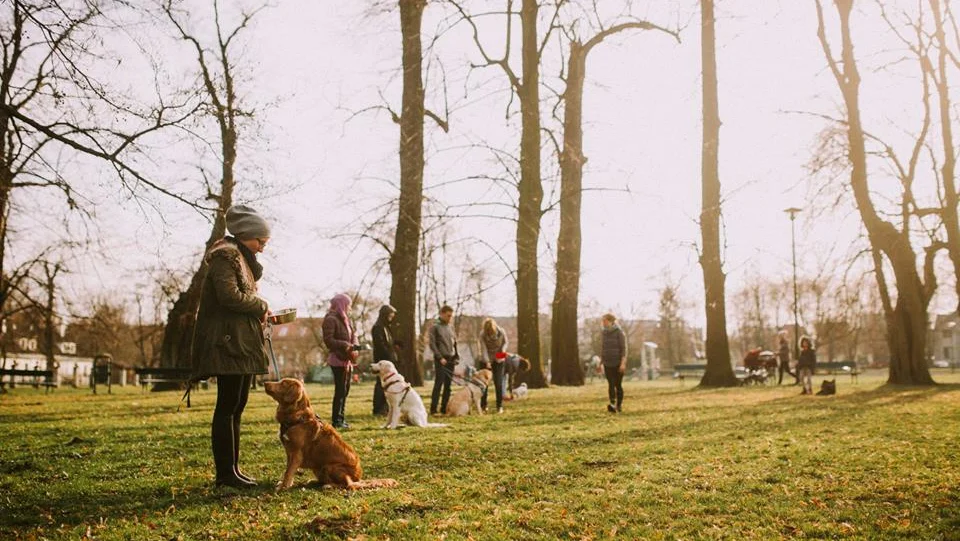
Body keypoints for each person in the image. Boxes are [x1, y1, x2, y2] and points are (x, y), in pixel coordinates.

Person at [191, 204, 271, 488]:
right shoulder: (225, 257)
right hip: (228, 343)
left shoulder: (241, 257)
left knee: (237, 407)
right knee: (227, 407)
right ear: (245, 234)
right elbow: (229, 297)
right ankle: (225, 474)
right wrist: (261, 304)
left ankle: (233, 469)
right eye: (259, 240)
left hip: (241, 342)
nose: (262, 247)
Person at [323, 293, 359, 428]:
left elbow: (353, 335)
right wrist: (344, 345)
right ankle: (336, 420)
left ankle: (341, 418)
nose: (349, 308)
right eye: (348, 305)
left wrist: (354, 346)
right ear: (341, 304)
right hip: (337, 360)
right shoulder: (330, 319)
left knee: (345, 390)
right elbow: (328, 340)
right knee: (340, 390)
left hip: (347, 360)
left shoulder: (345, 319)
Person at [429, 305, 458, 415]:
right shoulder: (435, 327)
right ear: (441, 314)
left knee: (448, 386)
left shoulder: (451, 327)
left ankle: (444, 408)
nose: (450, 318)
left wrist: (456, 356)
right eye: (448, 316)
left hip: (451, 359)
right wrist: (439, 357)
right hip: (440, 359)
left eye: (451, 316)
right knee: (438, 384)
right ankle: (433, 409)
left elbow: (454, 342)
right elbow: (432, 344)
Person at [370, 304, 398, 416]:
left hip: (387, 359)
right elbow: (380, 344)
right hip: (382, 359)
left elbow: (388, 343)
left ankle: (384, 407)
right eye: (390, 316)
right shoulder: (378, 327)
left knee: (385, 383)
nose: (391, 318)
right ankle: (378, 408)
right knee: (380, 384)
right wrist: (388, 356)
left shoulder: (386, 327)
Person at [479, 318, 508, 413]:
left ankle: (499, 406)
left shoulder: (501, 332)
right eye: (488, 332)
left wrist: (502, 353)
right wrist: (487, 362)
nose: (490, 334)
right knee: (484, 384)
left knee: (498, 382)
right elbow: (483, 349)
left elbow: (505, 343)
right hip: (486, 358)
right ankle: (483, 405)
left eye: (491, 331)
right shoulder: (482, 334)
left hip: (499, 357)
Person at [600, 313, 627, 413]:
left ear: (611, 321)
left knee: (617, 385)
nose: (603, 323)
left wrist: (623, 363)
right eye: (602, 321)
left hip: (618, 362)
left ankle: (619, 405)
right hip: (607, 362)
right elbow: (603, 348)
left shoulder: (619, 332)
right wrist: (601, 362)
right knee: (610, 384)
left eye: (605, 321)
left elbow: (624, 349)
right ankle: (612, 404)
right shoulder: (604, 333)